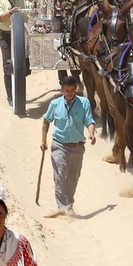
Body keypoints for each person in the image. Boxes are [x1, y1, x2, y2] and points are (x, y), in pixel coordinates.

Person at [40, 73, 98, 218]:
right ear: (62, 89)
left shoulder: (84, 102)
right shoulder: (55, 104)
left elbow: (89, 120)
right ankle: (61, 206)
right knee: (60, 173)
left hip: (78, 146)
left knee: (73, 176)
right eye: (67, 90)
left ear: (76, 89)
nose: (69, 93)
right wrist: (43, 140)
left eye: (72, 90)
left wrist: (91, 133)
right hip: (59, 144)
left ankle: (69, 204)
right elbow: (46, 120)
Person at [0, 0, 27, 105]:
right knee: (8, 65)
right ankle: (9, 95)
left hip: (19, 35)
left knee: (21, 65)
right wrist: (12, 12)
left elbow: (26, 14)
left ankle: (19, 92)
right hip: (6, 35)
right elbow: (0, 17)